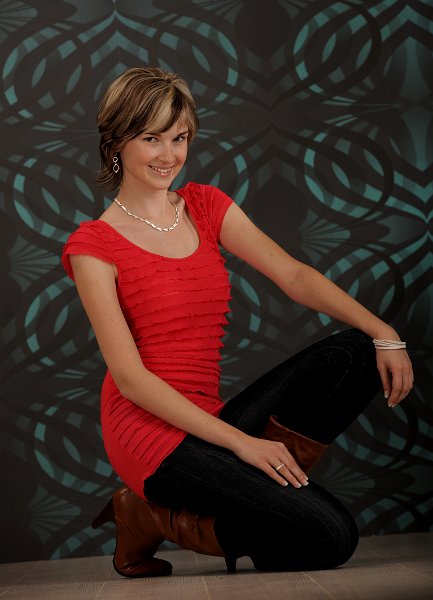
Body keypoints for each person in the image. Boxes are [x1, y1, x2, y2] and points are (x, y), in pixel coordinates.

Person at [62, 67, 413, 578]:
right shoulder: (93, 245)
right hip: (149, 434)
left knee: (356, 352)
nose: (169, 155)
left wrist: (385, 332)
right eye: (151, 138)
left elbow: (292, 274)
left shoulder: (204, 206)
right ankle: (147, 512)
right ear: (116, 142)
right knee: (333, 537)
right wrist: (242, 444)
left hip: (210, 417)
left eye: (179, 138)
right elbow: (131, 380)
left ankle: (238, 502)